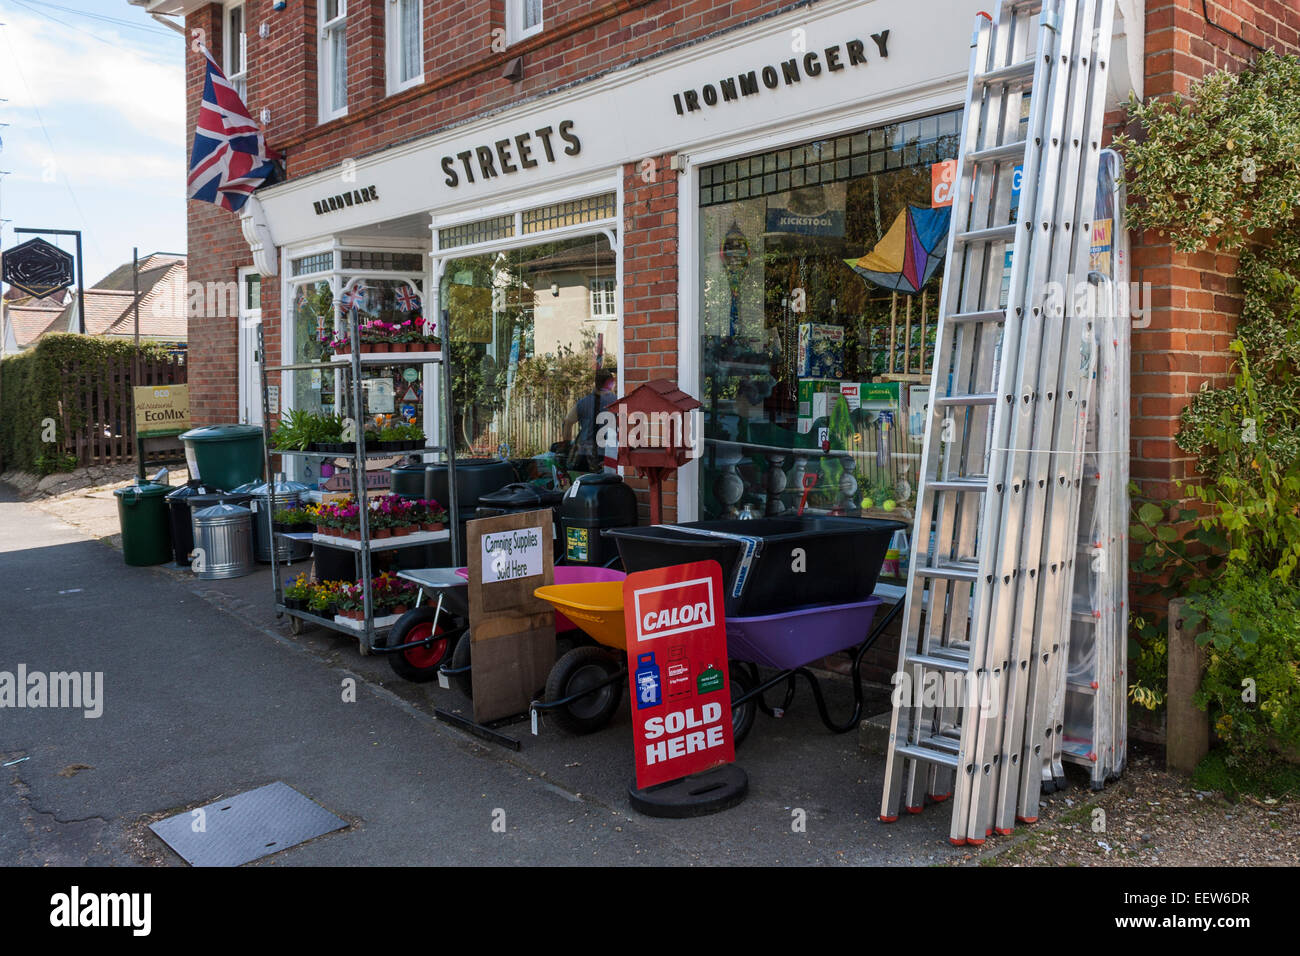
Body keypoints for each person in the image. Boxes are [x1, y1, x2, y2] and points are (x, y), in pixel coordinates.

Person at [560, 369, 617, 472]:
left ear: (595, 383)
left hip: (584, 453)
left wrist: (567, 444)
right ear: (611, 383)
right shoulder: (616, 401)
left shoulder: (583, 402)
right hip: (607, 454)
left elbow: (568, 422)